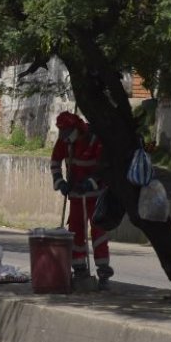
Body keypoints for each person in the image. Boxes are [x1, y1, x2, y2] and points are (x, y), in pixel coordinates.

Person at [50, 111, 113, 291]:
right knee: (76, 232)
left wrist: (92, 181)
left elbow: (102, 166)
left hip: (96, 195)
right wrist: (59, 181)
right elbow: (55, 162)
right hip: (76, 195)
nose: (63, 136)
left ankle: (103, 272)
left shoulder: (94, 140)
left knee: (99, 232)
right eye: (61, 132)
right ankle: (79, 269)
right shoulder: (64, 140)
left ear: (75, 128)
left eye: (66, 132)